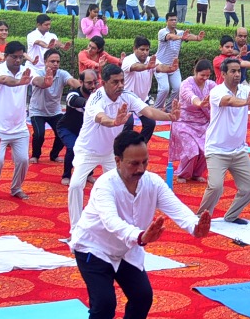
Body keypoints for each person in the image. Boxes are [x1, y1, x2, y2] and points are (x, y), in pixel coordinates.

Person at [71, 126, 211, 319]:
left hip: (129, 248)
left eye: (144, 162)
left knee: (143, 297)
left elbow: (176, 208)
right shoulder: (105, 184)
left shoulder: (152, 183)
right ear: (117, 160)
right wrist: (140, 237)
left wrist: (195, 226)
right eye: (134, 164)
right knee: (104, 302)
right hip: (94, 247)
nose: (141, 169)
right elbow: (111, 222)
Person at [67, 63, 176, 224]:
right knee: (75, 185)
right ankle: (76, 229)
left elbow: (149, 112)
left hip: (112, 153)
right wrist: (114, 122)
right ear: (103, 83)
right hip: (88, 150)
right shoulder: (95, 99)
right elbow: (101, 118)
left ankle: (118, 224)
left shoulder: (127, 95)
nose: (120, 85)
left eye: (122, 81)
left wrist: (170, 117)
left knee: (121, 187)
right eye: (115, 82)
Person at [198, 58, 250, 224]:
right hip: (217, 150)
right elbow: (228, 101)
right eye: (233, 71)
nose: (236, 74)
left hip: (239, 150)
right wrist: (246, 102)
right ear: (223, 73)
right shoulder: (217, 91)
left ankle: (231, 216)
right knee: (216, 187)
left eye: (238, 71)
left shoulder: (244, 90)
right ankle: (200, 218)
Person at [0, 41, 34, 202]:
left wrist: (45, 83)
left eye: (20, 57)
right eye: (14, 57)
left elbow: (38, 80)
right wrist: (20, 82)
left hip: (19, 127)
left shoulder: (27, 70)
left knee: (23, 160)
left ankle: (16, 188)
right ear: (6, 56)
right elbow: (5, 80)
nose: (18, 60)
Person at [169, 58, 215, 182]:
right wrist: (199, 103)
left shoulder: (211, 85)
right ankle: (183, 174)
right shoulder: (186, 84)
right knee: (193, 149)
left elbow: (220, 95)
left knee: (206, 150)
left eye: (208, 75)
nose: (205, 78)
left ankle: (196, 173)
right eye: (202, 75)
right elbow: (190, 96)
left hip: (203, 122)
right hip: (184, 122)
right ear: (195, 72)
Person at [29, 49, 73, 165]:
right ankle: (35, 155)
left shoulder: (62, 74)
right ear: (45, 62)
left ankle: (54, 155)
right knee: (39, 134)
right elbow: (38, 82)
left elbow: (72, 81)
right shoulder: (37, 73)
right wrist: (46, 82)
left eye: (58, 62)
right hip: (37, 111)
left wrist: (83, 87)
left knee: (63, 133)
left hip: (55, 111)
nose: (55, 64)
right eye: (52, 61)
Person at [154, 14, 203, 107]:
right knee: (164, 88)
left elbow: (188, 36)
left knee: (178, 88)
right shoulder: (162, 32)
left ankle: (169, 108)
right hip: (161, 65)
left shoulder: (180, 33)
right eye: (171, 20)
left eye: (175, 20)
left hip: (174, 67)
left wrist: (197, 38)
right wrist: (181, 37)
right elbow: (170, 37)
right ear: (166, 21)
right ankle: (157, 109)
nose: (174, 22)